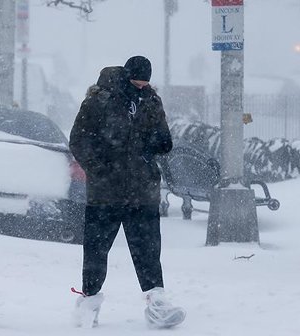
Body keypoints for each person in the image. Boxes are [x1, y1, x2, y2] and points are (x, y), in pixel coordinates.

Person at [69, 56, 185, 328]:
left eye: (146, 84)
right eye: (137, 83)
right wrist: (100, 168)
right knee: (97, 250)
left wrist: (157, 144)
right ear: (126, 77)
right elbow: (79, 138)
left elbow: (163, 140)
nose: (142, 88)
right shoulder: (99, 101)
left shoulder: (151, 101)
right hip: (105, 192)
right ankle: (88, 303)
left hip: (142, 190)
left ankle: (157, 303)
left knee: (148, 249)